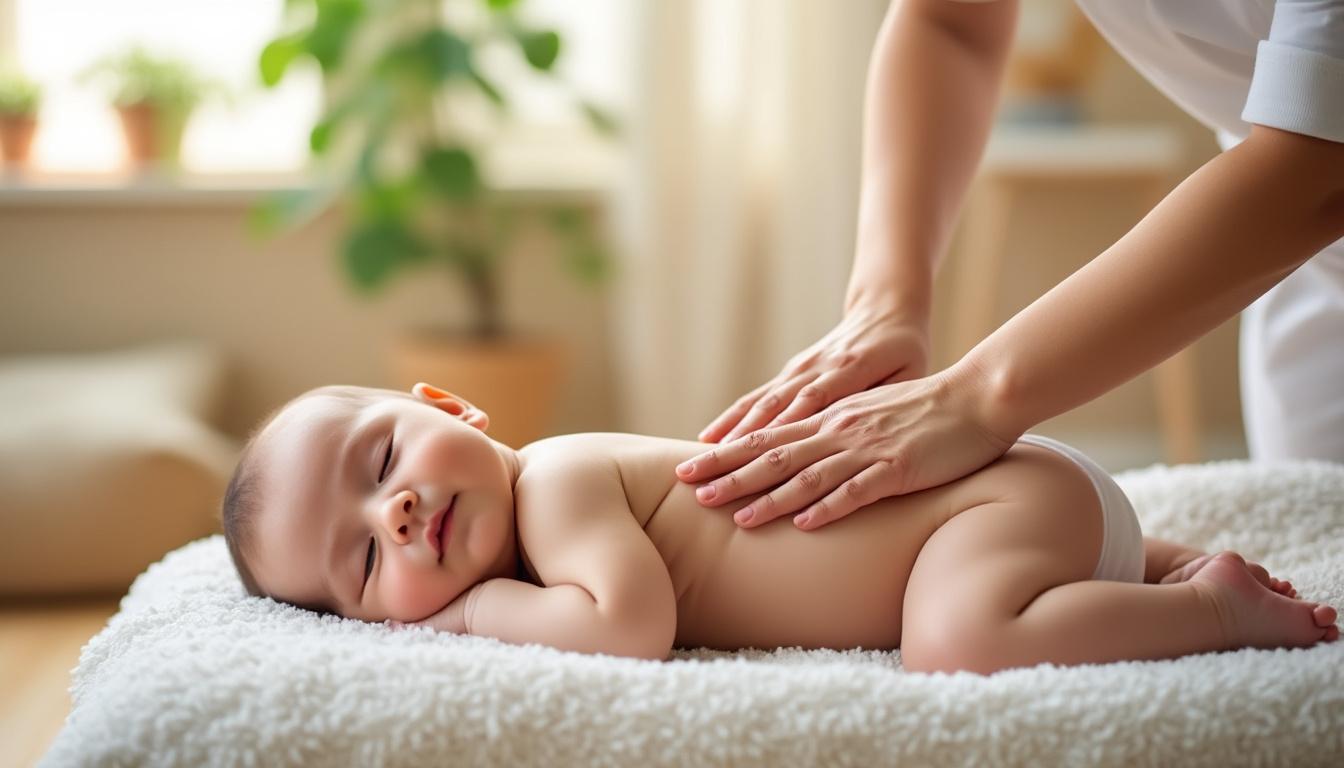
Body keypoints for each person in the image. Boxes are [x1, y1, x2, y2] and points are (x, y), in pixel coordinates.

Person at [676, 0, 1344, 532]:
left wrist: (976, 397)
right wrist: (884, 301)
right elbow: (951, 22)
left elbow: (1315, 169)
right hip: (1306, 267)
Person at [221, 383, 1337, 674]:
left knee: (954, 644)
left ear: (451, 408)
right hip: (1025, 512)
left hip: (999, 505)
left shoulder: (555, 482)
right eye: (364, 558)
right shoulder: (545, 513)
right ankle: (1150, 563)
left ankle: (1204, 605)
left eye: (383, 462)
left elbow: (629, 626)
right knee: (975, 596)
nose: (398, 512)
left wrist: (465, 612)